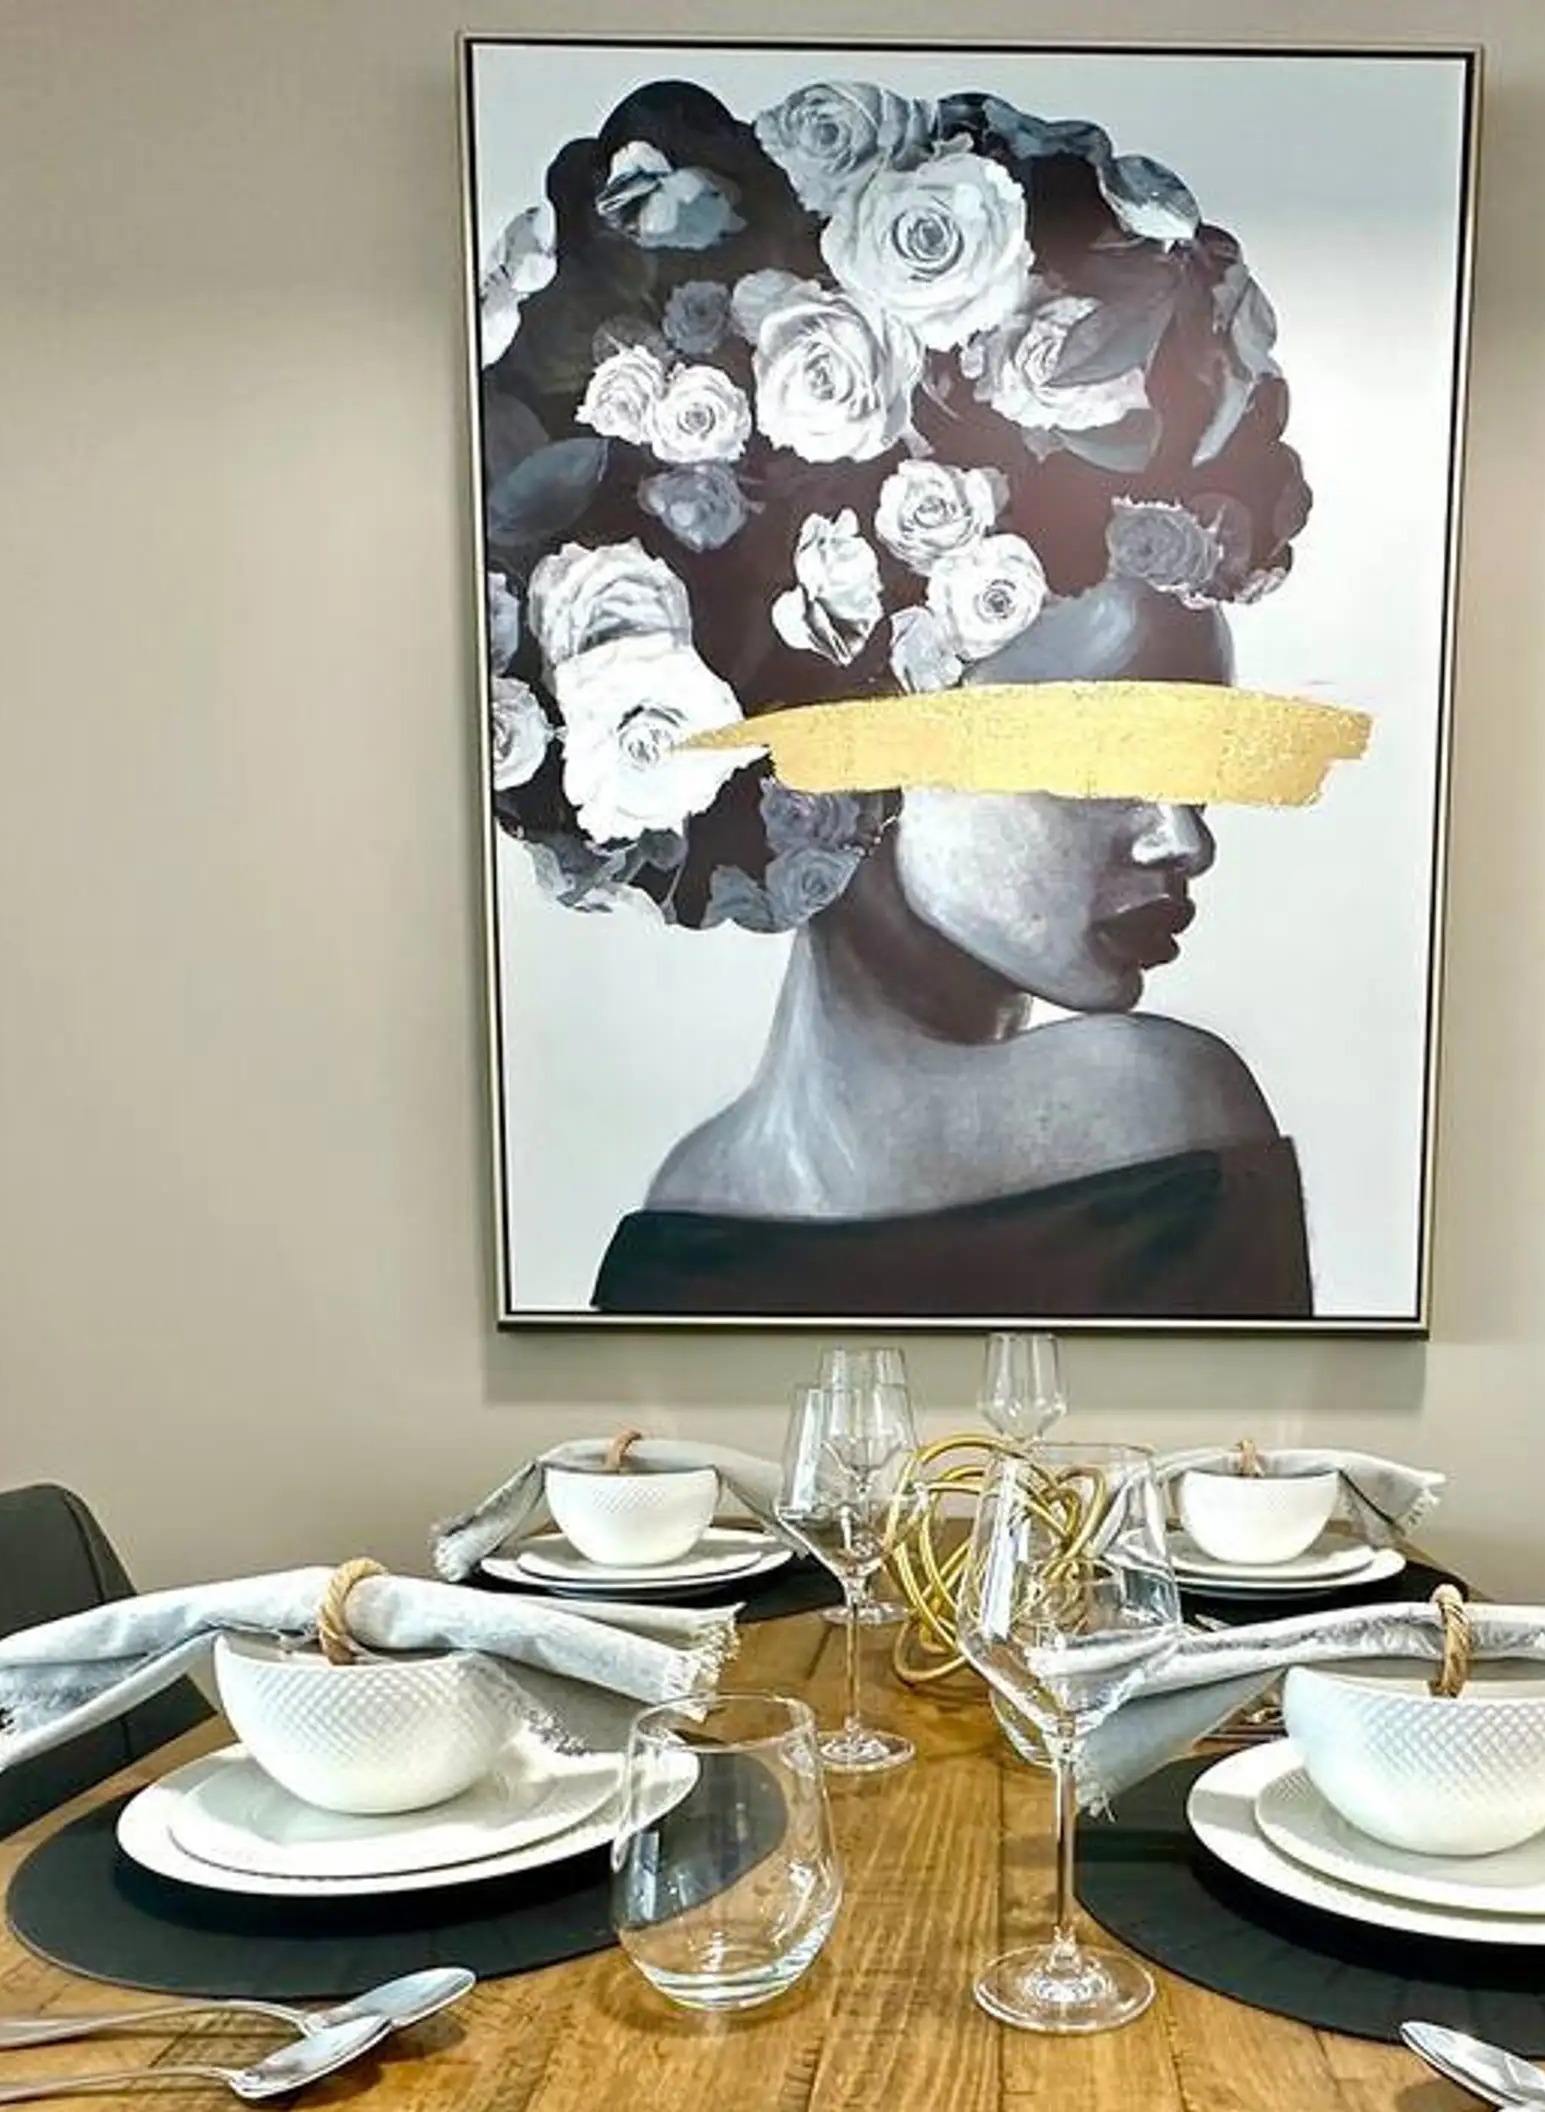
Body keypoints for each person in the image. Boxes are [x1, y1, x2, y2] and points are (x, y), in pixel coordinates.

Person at [476, 75, 1323, 1318]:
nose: (1182, 837)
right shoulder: (1155, 1109)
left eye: (1198, 766)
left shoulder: (678, 1214)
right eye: (1106, 751)